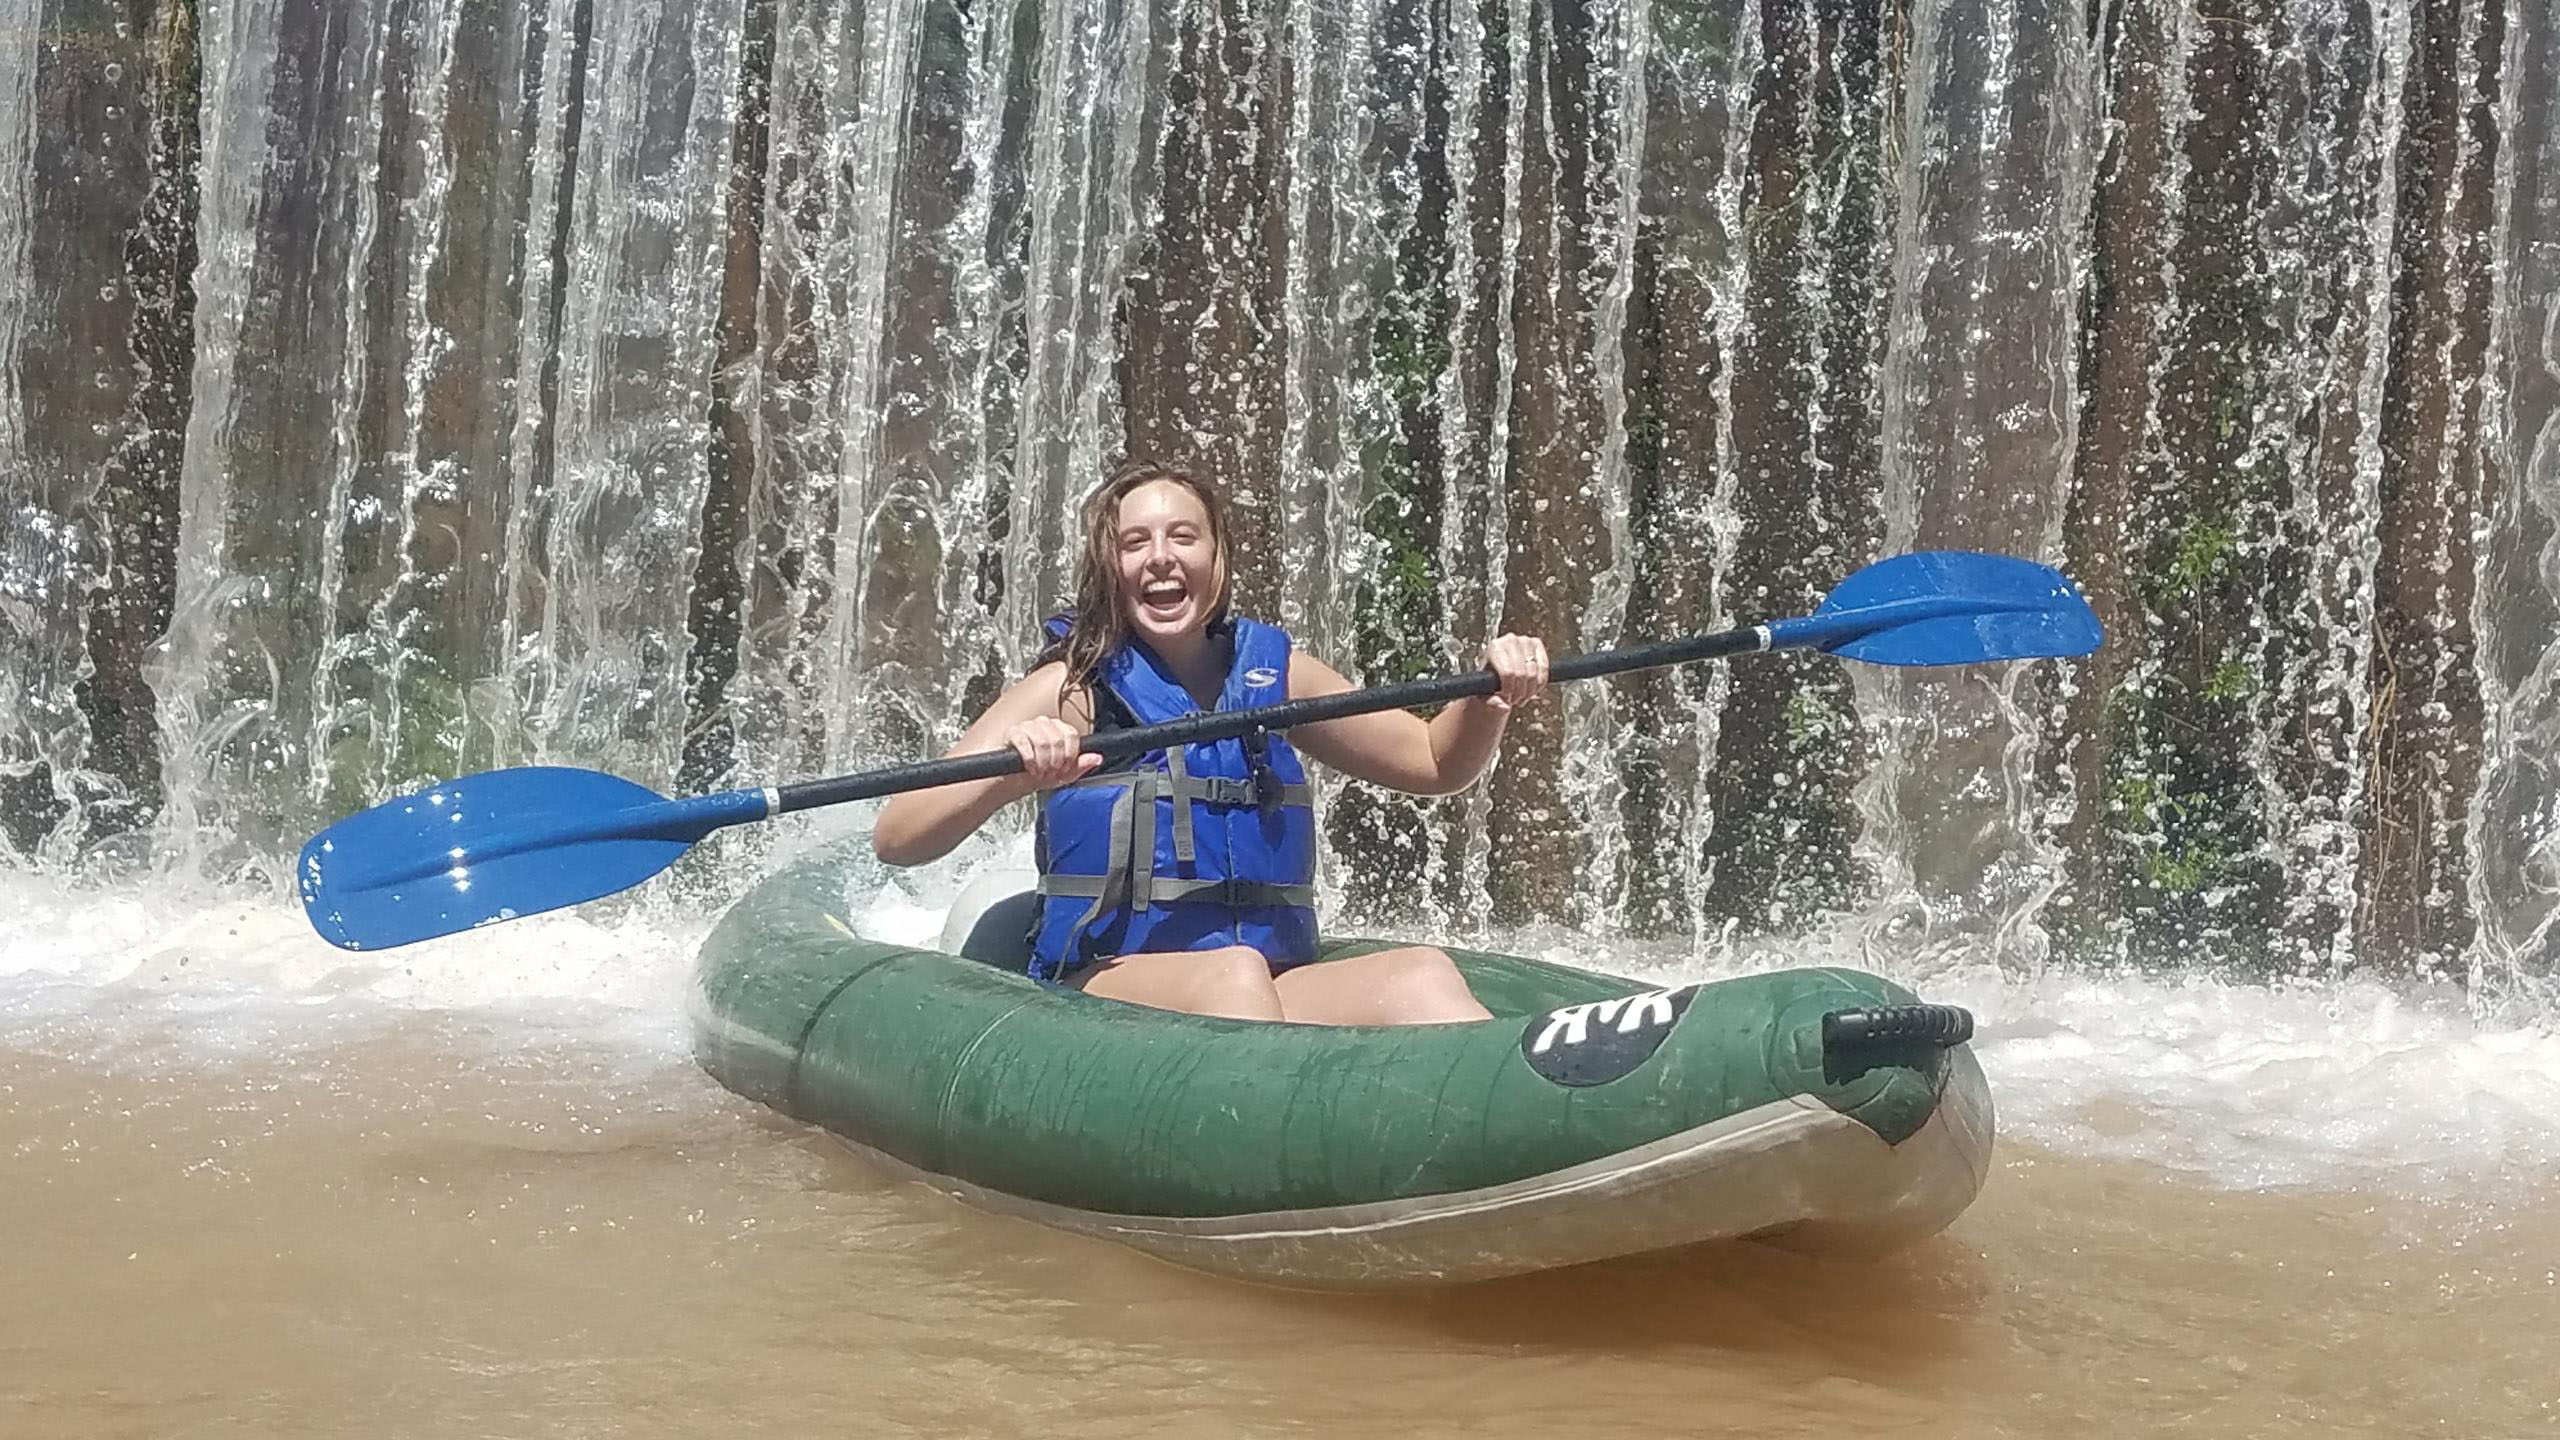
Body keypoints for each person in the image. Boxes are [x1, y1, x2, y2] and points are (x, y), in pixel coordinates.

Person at [872, 463, 1549, 1025]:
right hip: (1108, 985)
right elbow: (900, 835)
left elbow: (1433, 762)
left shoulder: (1275, 673)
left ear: (1218, 558)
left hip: (1265, 982)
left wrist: (1489, 697)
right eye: (1135, 542)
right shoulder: (1071, 689)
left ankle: (1525, 1151)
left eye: (1183, 537)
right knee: (1233, 978)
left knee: (1421, 975)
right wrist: (1018, 775)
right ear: (1110, 567)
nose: (1161, 556)